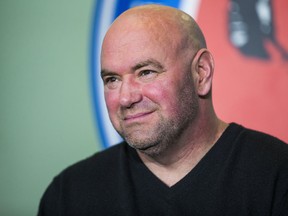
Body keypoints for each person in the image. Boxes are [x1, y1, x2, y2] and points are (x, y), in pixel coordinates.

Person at [38, 4, 288, 216]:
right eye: (112, 79)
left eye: (146, 72)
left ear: (201, 73)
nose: (125, 97)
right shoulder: (69, 195)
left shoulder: (278, 176)